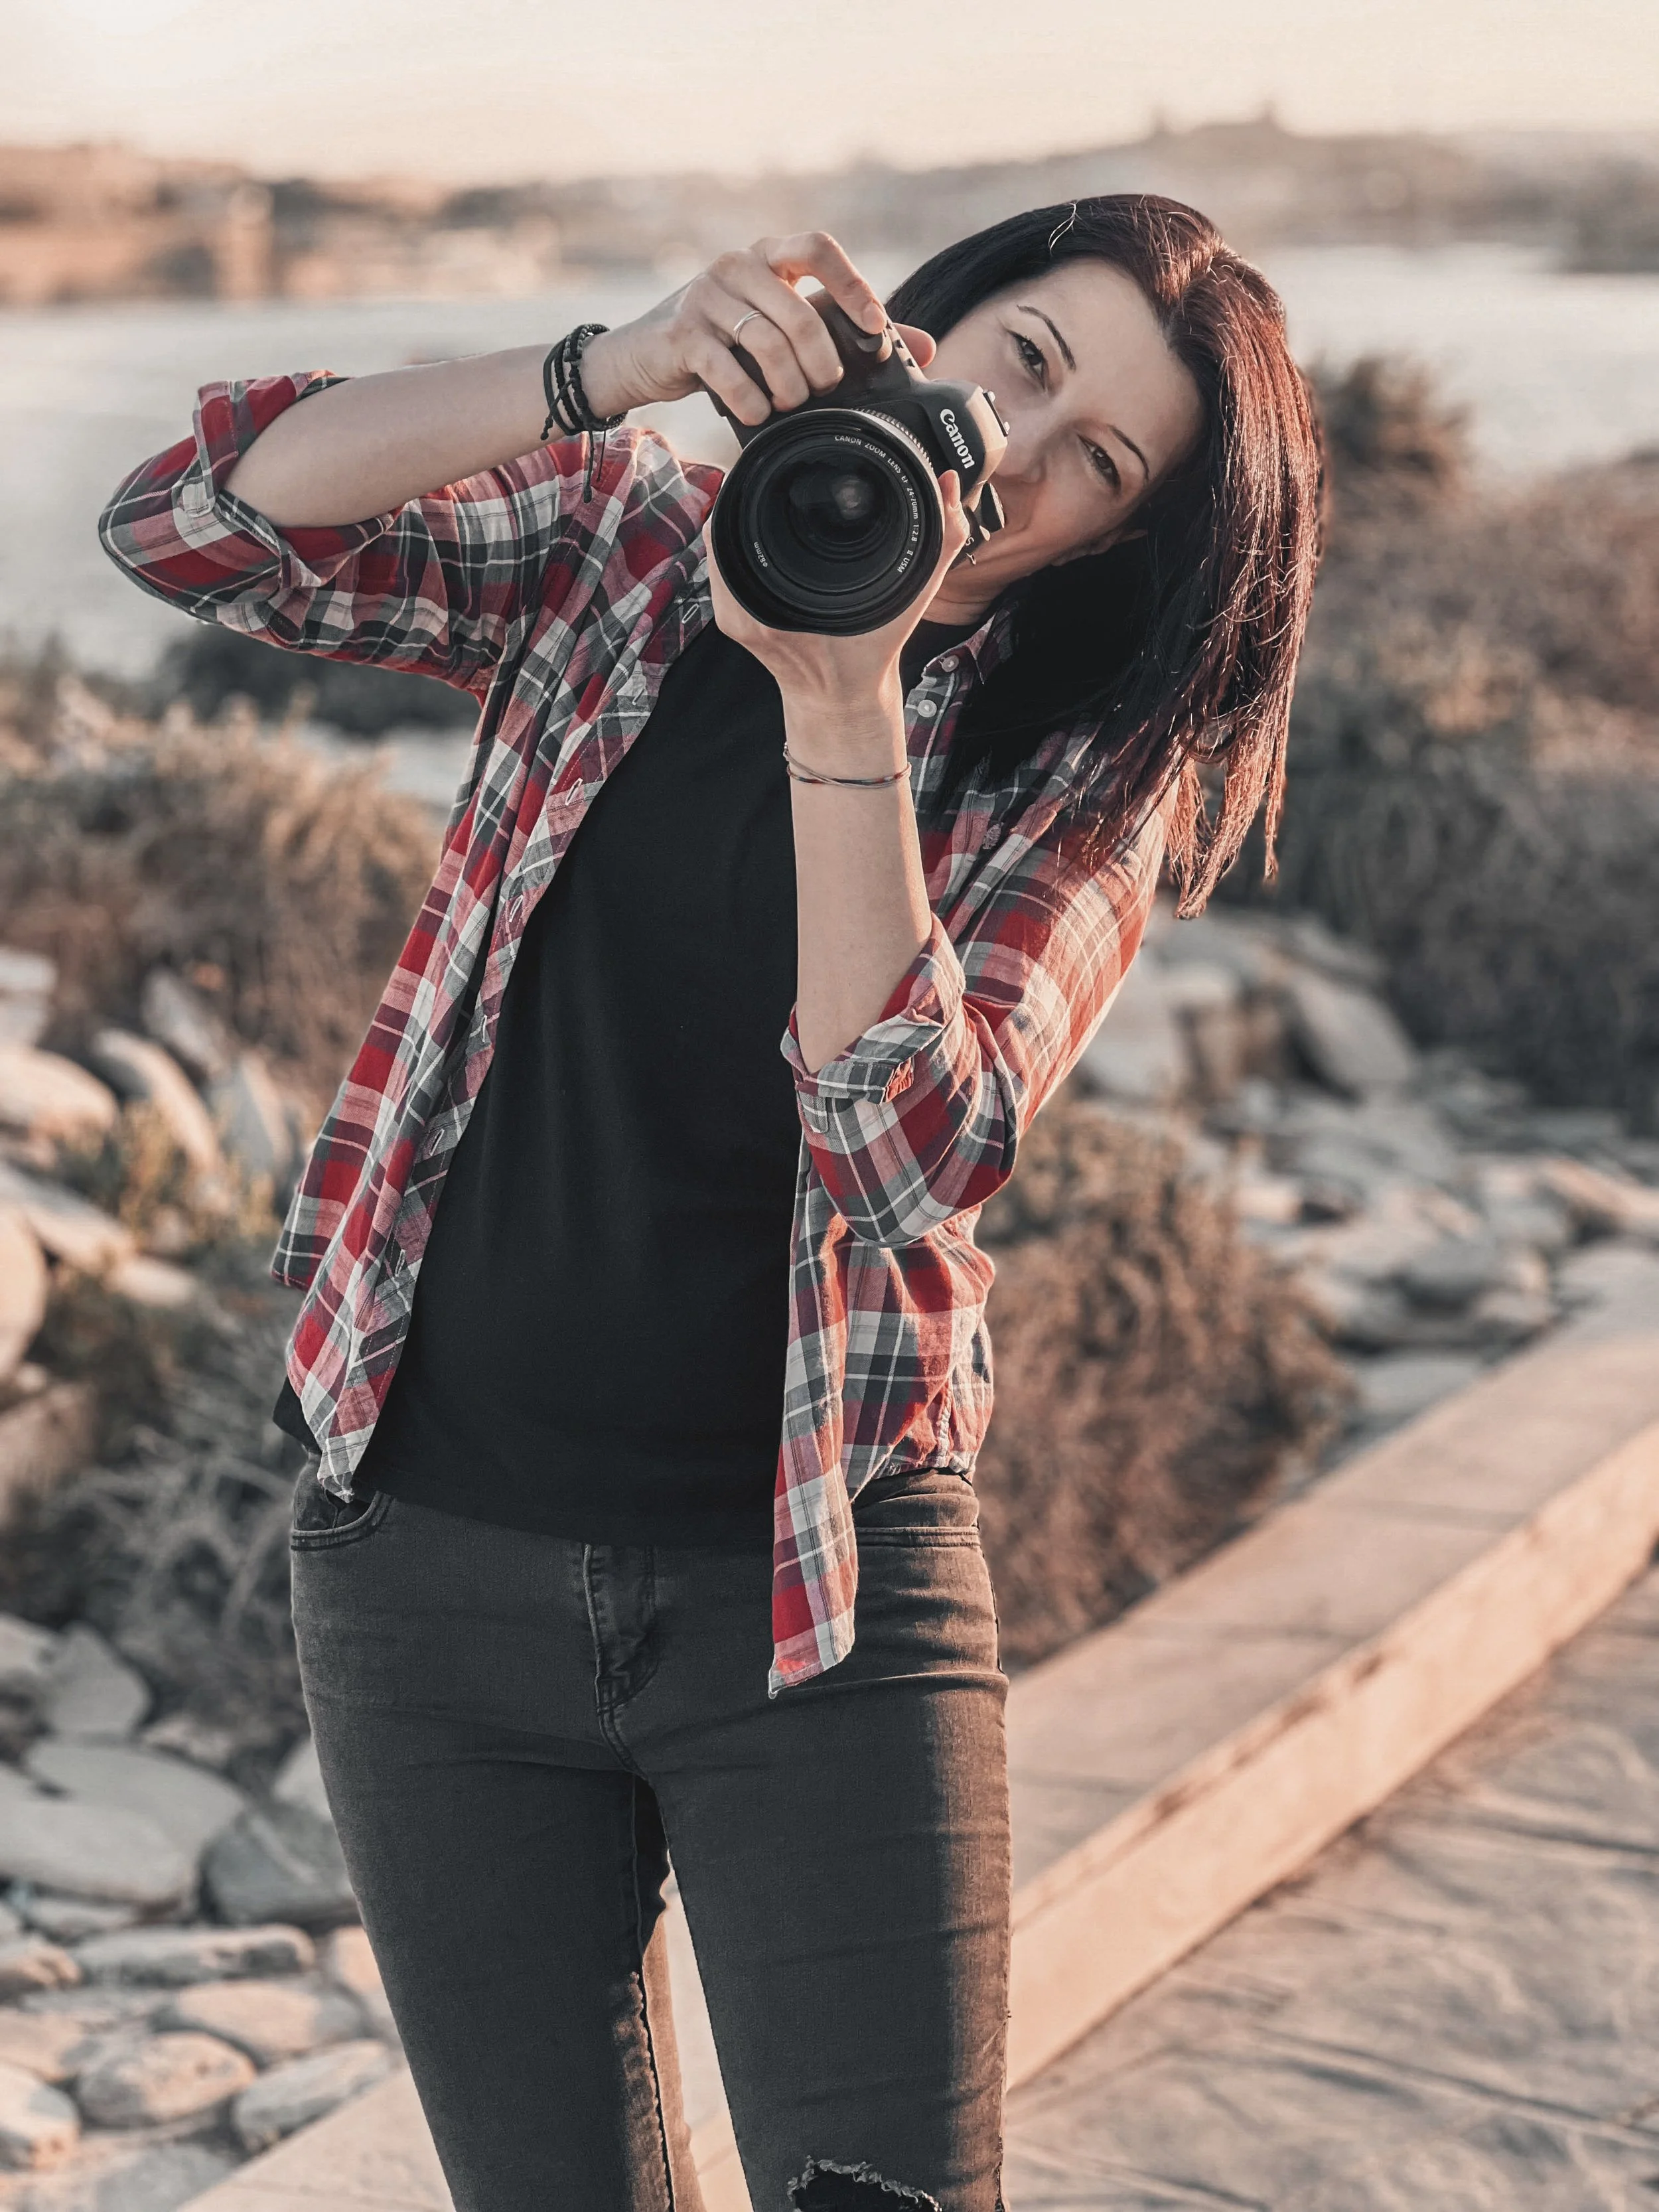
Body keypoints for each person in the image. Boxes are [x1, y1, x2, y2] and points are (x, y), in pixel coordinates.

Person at [100, 194, 1321, 2212]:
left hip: (821, 1603)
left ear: (1123, 540)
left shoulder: (1082, 769)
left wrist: (840, 694)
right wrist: (620, 363)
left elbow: (905, 1150)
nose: (1015, 456)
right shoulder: (626, 545)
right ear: (919, 327)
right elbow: (193, 522)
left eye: (1095, 462)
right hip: (427, 1577)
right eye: (1018, 364)